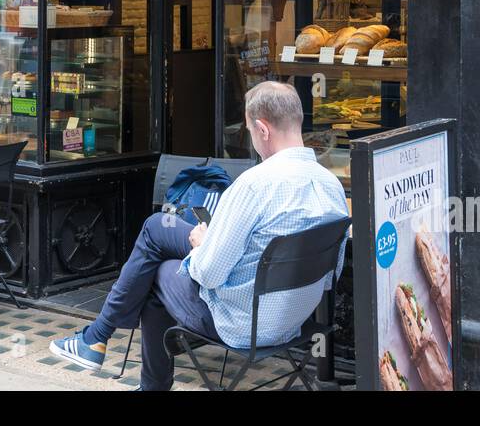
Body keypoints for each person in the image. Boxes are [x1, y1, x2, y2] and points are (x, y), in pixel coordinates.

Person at [50, 80, 350, 390]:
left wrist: (201, 247)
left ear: (263, 129)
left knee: (157, 268)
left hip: (242, 323)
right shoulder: (331, 186)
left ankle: (100, 340)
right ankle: (96, 337)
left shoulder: (254, 185)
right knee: (158, 228)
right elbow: (332, 274)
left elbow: (209, 274)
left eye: (249, 131)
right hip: (293, 321)